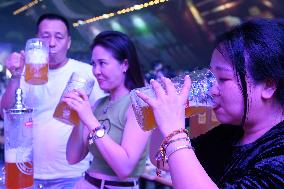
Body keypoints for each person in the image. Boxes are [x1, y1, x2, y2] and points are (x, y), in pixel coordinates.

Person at [137, 18, 284, 188]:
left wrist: (175, 133)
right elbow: (163, 160)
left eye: (223, 78)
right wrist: (160, 116)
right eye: (211, 77)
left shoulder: (278, 152)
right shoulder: (229, 134)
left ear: (268, 86)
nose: (212, 90)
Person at [0, 13, 105, 188]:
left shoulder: (86, 73)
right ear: (36, 40)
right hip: (25, 171)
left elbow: (103, 117)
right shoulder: (23, 73)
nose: (52, 43)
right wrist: (15, 76)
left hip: (72, 174)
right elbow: (4, 114)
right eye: (45, 36)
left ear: (68, 42)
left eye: (59, 37)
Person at [65, 31, 150, 189]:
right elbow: (72, 157)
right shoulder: (98, 104)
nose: (96, 71)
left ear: (124, 65)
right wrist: (79, 117)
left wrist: (90, 120)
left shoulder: (139, 104)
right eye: (94, 64)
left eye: (102, 63)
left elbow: (124, 169)